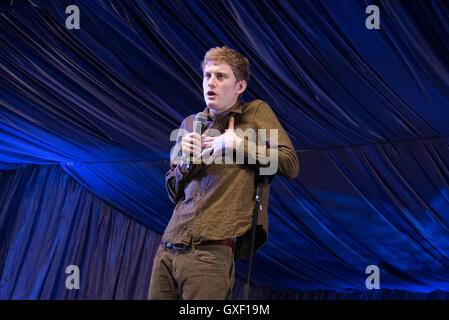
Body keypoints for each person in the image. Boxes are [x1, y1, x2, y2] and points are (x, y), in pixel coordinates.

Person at [148, 46, 299, 300]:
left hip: (210, 254)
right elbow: (173, 193)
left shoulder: (255, 113)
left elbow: (289, 164)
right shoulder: (190, 124)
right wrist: (185, 160)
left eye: (221, 76)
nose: (211, 82)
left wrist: (237, 144)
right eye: (207, 75)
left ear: (239, 87)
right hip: (169, 247)